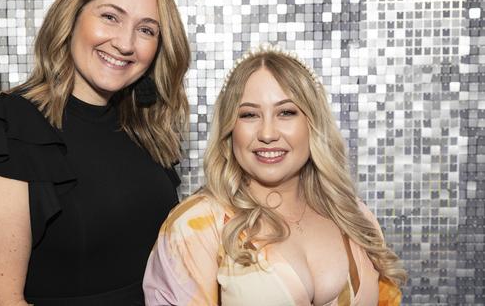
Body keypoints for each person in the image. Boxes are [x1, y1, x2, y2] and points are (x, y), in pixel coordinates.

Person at [0, 0, 190, 306]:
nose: (125, 43)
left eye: (146, 29)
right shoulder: (6, 127)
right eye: (110, 17)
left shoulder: (146, 133)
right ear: (72, 17)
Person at [143, 43, 407, 305]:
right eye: (249, 115)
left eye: (286, 112)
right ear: (230, 128)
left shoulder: (354, 216)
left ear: (312, 123)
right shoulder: (196, 225)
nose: (267, 134)